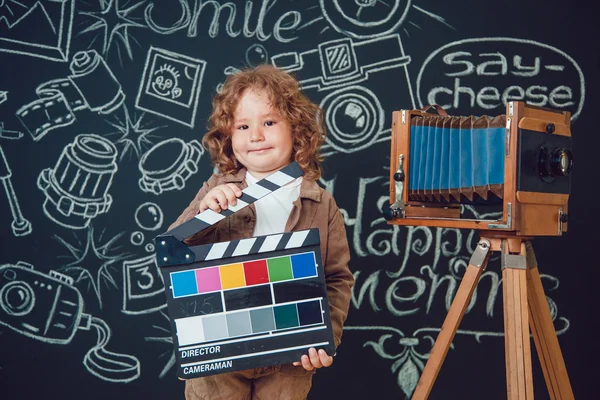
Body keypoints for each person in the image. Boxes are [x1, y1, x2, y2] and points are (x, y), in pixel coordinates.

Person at [168, 64, 354, 400]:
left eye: (269, 122)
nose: (255, 135)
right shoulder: (217, 188)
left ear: (296, 130)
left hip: (290, 351)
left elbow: (336, 278)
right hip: (219, 345)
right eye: (242, 125)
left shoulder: (321, 203)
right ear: (228, 137)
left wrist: (327, 336)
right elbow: (173, 248)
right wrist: (203, 212)